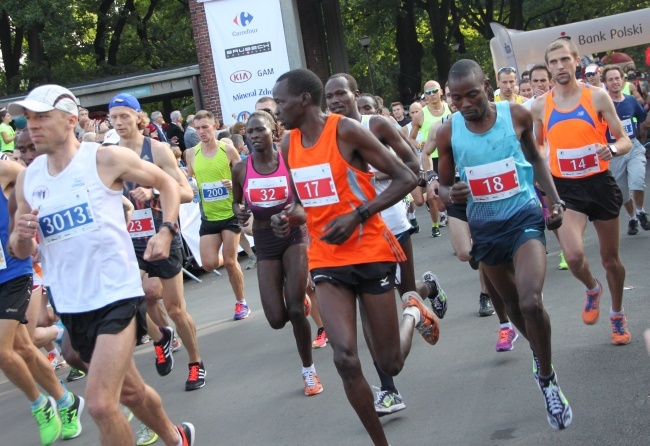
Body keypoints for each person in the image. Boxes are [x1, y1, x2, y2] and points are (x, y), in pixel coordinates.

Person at [9, 85, 195, 445]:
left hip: (117, 296)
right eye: (28, 118)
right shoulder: (28, 180)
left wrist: (168, 230)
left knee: (99, 404)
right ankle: (176, 439)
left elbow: (169, 184)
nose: (32, 125)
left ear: (68, 120)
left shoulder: (102, 159)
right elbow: (20, 251)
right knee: (132, 393)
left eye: (41, 117)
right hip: (72, 305)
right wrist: (20, 235)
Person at [272, 68, 437, 446]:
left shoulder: (345, 130)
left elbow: (406, 176)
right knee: (345, 358)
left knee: (390, 362)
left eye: (281, 102)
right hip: (327, 259)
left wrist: (359, 214)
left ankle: (413, 311)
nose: (276, 109)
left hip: (370, 251)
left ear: (304, 100)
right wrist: (290, 218)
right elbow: (305, 204)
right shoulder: (288, 145)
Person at [438, 59, 572, 429]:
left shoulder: (515, 116)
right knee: (513, 306)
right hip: (485, 228)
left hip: (523, 218)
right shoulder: (448, 133)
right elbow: (443, 186)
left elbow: (535, 159)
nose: (464, 103)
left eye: (472, 94)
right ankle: (538, 351)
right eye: (456, 98)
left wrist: (554, 200)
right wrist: (453, 192)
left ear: (487, 86)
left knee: (530, 300)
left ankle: (546, 378)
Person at [531, 38, 633, 345]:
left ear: (576, 61)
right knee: (574, 257)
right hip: (566, 189)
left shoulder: (597, 97)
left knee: (610, 260)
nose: (560, 67)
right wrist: (541, 170)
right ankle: (592, 289)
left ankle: (617, 314)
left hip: (600, 184)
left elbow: (625, 139)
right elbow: (536, 146)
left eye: (565, 60)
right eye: (553, 62)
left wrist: (612, 149)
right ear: (548, 67)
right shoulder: (540, 105)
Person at [107, 94, 205, 393]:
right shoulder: (108, 155)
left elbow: (187, 192)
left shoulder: (158, 149)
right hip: (129, 238)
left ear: (139, 117)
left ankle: (195, 362)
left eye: (125, 115)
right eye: (114, 117)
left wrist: (153, 192)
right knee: (141, 297)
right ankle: (162, 336)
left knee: (175, 307)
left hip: (162, 233)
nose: (120, 122)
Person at [232, 110, 323, 396]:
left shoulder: (289, 161)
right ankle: (297, 299)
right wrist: (240, 211)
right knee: (275, 319)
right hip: (264, 240)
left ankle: (309, 372)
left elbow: (305, 202)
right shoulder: (240, 169)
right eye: (250, 131)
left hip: (294, 236)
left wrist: (294, 215)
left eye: (260, 129)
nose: (254, 135)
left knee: (295, 309)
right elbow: (236, 204)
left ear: (273, 131)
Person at [0, 156, 85, 445]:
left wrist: (28, 230)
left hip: (12, 270)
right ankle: (65, 401)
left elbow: (34, 184)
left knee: (2, 349)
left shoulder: (4, 167)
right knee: (23, 347)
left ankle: (40, 405)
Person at [186, 110, 250, 320]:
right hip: (209, 216)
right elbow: (190, 178)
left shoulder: (228, 149)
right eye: (198, 128)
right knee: (208, 264)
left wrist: (233, 185)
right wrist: (192, 188)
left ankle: (241, 303)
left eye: (205, 127)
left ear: (214, 126)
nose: (202, 131)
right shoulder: (191, 153)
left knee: (231, 262)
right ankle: (232, 259)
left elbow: (243, 176)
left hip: (230, 213)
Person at [601, 65, 649, 234]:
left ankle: (641, 211)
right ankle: (632, 217)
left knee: (638, 181)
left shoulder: (630, 100)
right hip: (614, 151)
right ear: (605, 83)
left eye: (617, 78)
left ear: (622, 80)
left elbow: (643, 118)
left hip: (633, 145)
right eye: (610, 79)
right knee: (621, 192)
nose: (615, 82)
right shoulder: (601, 104)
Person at [409, 80, 451, 237]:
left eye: (434, 91)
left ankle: (457, 225)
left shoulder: (450, 108)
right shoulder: (420, 115)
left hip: (451, 155)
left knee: (455, 195)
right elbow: (411, 138)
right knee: (437, 199)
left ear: (440, 91)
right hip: (431, 159)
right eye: (428, 93)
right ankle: (438, 221)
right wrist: (421, 145)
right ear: (424, 96)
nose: (431, 95)